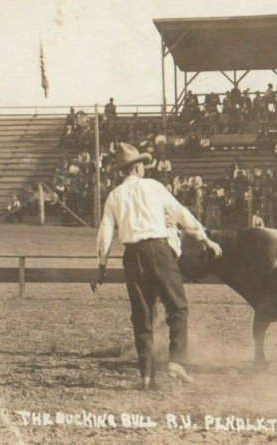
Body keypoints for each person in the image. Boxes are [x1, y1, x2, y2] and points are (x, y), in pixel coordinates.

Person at [93, 142, 222, 390]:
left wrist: (101, 267)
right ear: (139, 167)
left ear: (123, 171)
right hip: (159, 251)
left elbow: (105, 234)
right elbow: (182, 214)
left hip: (132, 256)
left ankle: (146, 376)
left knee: (142, 315)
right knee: (178, 307)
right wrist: (205, 239)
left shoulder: (114, 196)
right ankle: (176, 361)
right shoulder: (154, 187)